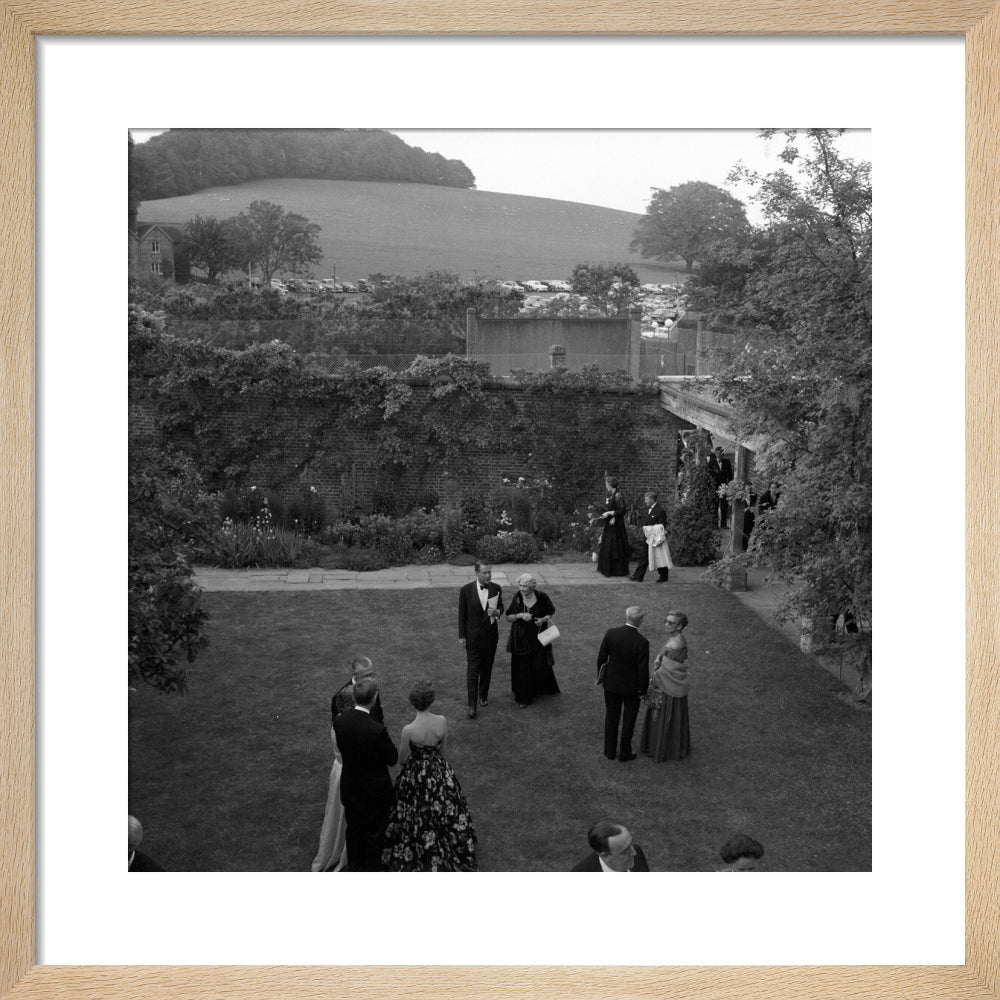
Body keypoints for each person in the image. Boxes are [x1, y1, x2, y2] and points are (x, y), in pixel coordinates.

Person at [381, 681, 478, 871]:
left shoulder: (408, 730)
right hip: (438, 769)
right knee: (445, 807)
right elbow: (444, 749)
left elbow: (401, 759)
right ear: (430, 701)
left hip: (415, 774)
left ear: (413, 702)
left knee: (413, 811)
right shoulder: (441, 721)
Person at [332, 675, 399, 871]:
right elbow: (392, 758)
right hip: (375, 792)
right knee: (375, 836)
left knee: (353, 831)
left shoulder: (340, 722)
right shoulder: (376, 730)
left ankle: (355, 868)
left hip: (351, 787)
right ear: (374, 697)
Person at [595, 606, 650, 761]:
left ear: (626, 617)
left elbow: (601, 657)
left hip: (611, 684)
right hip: (631, 688)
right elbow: (643, 669)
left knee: (611, 717)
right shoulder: (642, 642)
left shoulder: (611, 633)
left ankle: (610, 751)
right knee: (629, 720)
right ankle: (625, 753)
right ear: (641, 620)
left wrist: (601, 675)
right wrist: (643, 690)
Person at [640, 610, 691, 762]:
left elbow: (668, 670)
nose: (666, 625)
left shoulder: (676, 643)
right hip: (667, 685)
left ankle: (662, 747)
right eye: (666, 621)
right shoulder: (674, 638)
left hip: (667, 688)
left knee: (662, 716)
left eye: (671, 623)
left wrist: (653, 677)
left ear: (680, 626)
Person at [505, 573, 560, 708]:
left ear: (532, 586)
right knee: (522, 667)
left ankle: (540, 689)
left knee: (538, 664)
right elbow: (508, 617)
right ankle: (524, 697)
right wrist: (519, 615)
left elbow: (550, 611)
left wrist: (542, 619)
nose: (522, 589)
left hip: (538, 637)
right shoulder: (517, 597)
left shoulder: (541, 597)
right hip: (520, 638)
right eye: (520, 586)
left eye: (525, 586)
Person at [458, 562, 504, 719]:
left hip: (490, 638)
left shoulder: (496, 588)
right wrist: (462, 636)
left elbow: (502, 608)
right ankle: (472, 705)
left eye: (490, 572)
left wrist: (497, 611)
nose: (488, 576)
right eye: (485, 573)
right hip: (473, 639)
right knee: (472, 671)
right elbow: (461, 615)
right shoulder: (465, 590)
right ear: (476, 573)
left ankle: (483, 696)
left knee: (487, 669)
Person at [571, 820, 650, 872]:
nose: (634, 853)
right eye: (625, 851)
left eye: (630, 844)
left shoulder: (636, 851)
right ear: (606, 856)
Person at [630, 490, 672, 583]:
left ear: (652, 499)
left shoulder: (660, 511)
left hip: (656, 538)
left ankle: (664, 576)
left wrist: (651, 529)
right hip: (648, 537)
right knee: (644, 556)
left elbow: (662, 526)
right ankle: (638, 576)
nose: (645, 501)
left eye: (646, 499)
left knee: (659, 556)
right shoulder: (648, 509)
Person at [331, 656, 383, 726]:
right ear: (355, 674)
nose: (369, 679)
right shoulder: (340, 696)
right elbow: (338, 725)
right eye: (366, 676)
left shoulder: (373, 687)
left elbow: (378, 712)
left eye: (371, 674)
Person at [595, 475, 630, 577]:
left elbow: (623, 510)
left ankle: (616, 571)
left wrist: (611, 513)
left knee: (614, 546)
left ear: (610, 484)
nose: (606, 485)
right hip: (610, 523)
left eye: (606, 483)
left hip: (616, 526)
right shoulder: (611, 494)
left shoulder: (618, 495)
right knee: (608, 545)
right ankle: (606, 569)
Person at [715, 447, 734, 528]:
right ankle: (715, 524)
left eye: (720, 454)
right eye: (717, 453)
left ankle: (723, 524)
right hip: (715, 488)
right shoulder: (711, 463)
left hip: (724, 487)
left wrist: (729, 486)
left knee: (724, 507)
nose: (718, 455)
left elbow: (730, 476)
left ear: (723, 454)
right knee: (715, 506)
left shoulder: (727, 462)